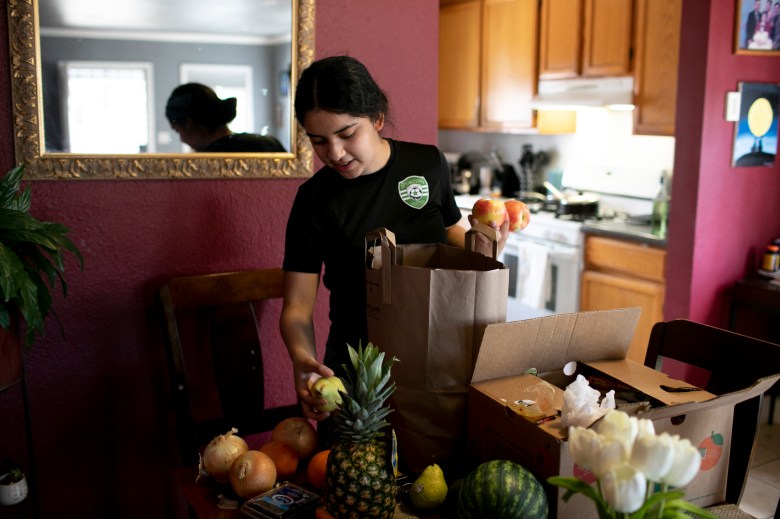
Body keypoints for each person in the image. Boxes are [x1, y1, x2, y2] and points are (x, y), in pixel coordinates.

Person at [279, 56, 509, 434]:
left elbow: (452, 238)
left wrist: (488, 244)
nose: (334, 153)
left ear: (378, 119)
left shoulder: (428, 164)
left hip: (439, 359)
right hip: (356, 375)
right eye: (318, 140)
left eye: (347, 134)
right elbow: (297, 307)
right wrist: (302, 359)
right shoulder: (314, 199)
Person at [165, 82, 286, 152]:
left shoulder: (207, 161)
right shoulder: (269, 143)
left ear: (190, 124)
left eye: (177, 130)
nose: (181, 139)